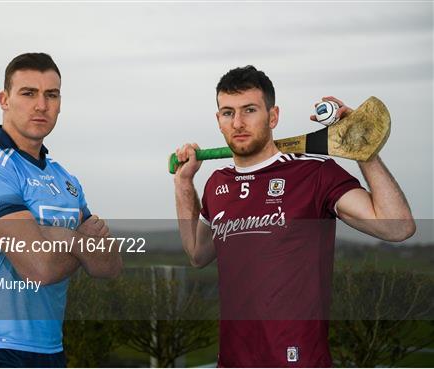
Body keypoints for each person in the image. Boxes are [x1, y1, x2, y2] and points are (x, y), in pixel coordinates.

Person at [173, 65, 415, 367]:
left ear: (273, 116)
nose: (238, 122)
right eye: (227, 112)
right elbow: (197, 254)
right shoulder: (217, 183)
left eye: (249, 110)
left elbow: (398, 227)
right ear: (218, 120)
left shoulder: (314, 174)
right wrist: (183, 183)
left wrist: (364, 151)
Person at [0, 53, 122, 368]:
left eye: (51, 95)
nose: (41, 105)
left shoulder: (65, 179)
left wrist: (55, 238)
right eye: (28, 93)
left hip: (51, 351)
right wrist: (78, 240)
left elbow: (108, 266)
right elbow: (38, 268)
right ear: (4, 99)